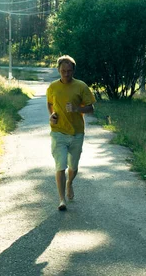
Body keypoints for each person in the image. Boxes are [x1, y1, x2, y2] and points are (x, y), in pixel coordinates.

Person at [46, 55, 96, 211]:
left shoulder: (81, 86)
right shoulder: (53, 87)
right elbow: (49, 103)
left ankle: (69, 183)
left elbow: (91, 108)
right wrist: (52, 115)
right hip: (58, 132)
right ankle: (61, 200)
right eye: (63, 71)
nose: (66, 74)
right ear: (58, 70)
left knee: (73, 167)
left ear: (73, 70)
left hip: (76, 133)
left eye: (69, 71)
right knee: (60, 166)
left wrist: (77, 109)